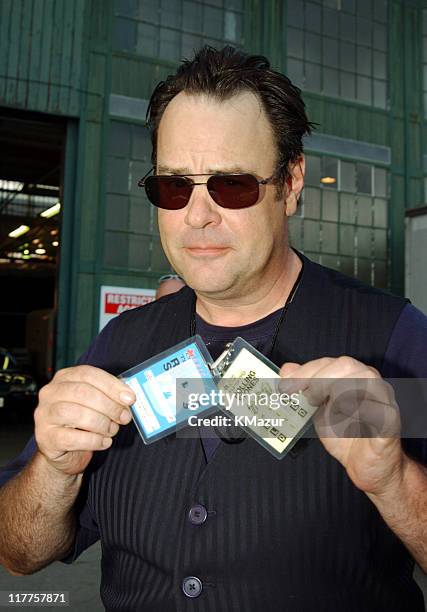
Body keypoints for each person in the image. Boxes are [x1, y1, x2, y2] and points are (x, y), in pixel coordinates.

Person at [1, 46, 427, 612]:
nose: (198, 216)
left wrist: (393, 479)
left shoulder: (393, 339)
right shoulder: (116, 349)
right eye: (175, 187)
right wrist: (52, 471)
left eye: (232, 186)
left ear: (291, 183)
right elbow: (19, 553)